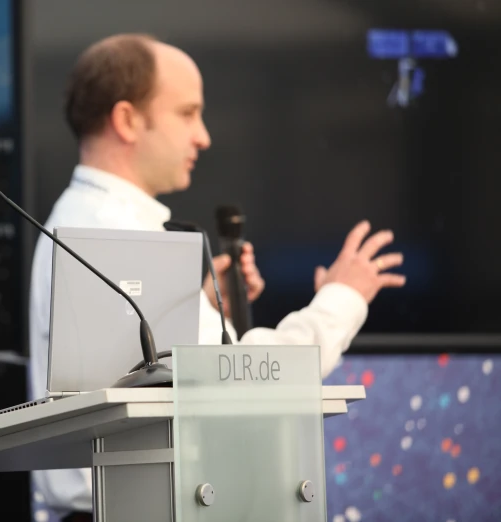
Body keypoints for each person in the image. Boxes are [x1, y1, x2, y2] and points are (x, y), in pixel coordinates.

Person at [27, 33, 406, 522]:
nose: (203, 136)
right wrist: (342, 298)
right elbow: (251, 383)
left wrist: (197, 307)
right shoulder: (111, 238)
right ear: (126, 120)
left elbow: (154, 379)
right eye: (187, 113)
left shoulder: (85, 223)